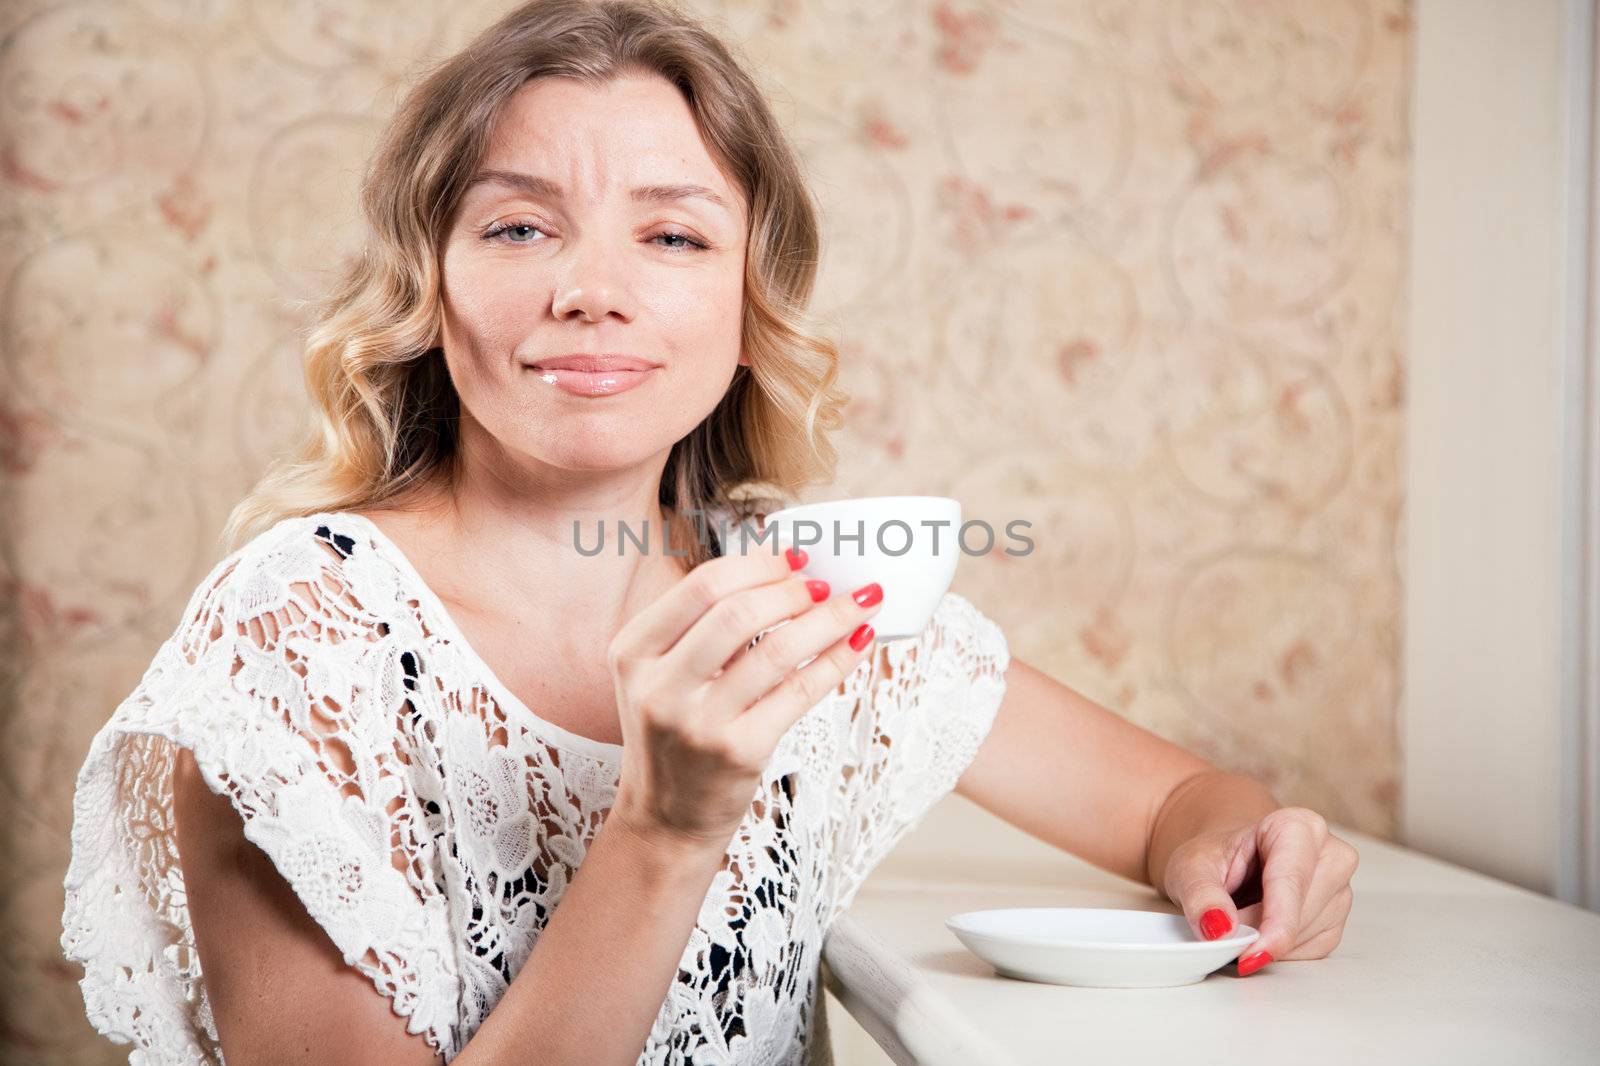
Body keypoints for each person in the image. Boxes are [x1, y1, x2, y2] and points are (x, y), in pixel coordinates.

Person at [60, 2, 1358, 1064]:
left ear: (746, 304)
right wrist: (666, 829)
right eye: (519, 225)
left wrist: (1238, 855)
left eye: (672, 234)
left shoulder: (796, 592)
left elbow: (1181, 801)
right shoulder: (291, 646)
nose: (592, 290)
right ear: (428, 283)